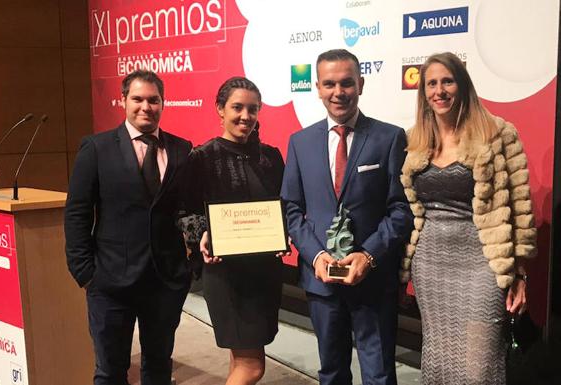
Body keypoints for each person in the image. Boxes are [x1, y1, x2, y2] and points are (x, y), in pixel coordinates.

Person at [398, 52, 536, 384]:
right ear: (424, 93)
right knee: (439, 358)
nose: (439, 90)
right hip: (430, 263)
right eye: (431, 83)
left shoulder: (498, 133)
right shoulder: (414, 140)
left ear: (463, 85)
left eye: (447, 81)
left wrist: (519, 275)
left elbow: (518, 207)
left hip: (482, 262)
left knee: (478, 366)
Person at [281, 49, 413, 385]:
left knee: (380, 373)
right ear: (317, 87)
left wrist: (369, 255)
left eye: (346, 83)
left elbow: (401, 209)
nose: (338, 92)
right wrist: (316, 256)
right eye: (329, 84)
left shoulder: (390, 138)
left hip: (372, 278)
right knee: (331, 371)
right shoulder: (300, 142)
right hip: (321, 280)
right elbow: (292, 210)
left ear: (361, 84)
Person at [64, 70, 192, 385]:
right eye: (137, 99)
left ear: (163, 103)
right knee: (110, 372)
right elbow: (77, 212)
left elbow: (190, 209)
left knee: (159, 367)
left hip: (165, 282)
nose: (145, 107)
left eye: (153, 100)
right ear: (124, 101)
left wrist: (189, 265)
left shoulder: (181, 149)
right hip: (110, 283)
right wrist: (85, 272)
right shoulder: (96, 148)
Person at [179, 76, 285, 385]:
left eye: (253, 109)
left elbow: (284, 205)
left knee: (241, 359)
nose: (245, 116)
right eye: (237, 107)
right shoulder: (202, 158)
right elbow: (185, 211)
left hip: (264, 272)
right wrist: (202, 235)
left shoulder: (271, 157)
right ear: (220, 110)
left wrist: (283, 232)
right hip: (227, 275)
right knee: (252, 367)